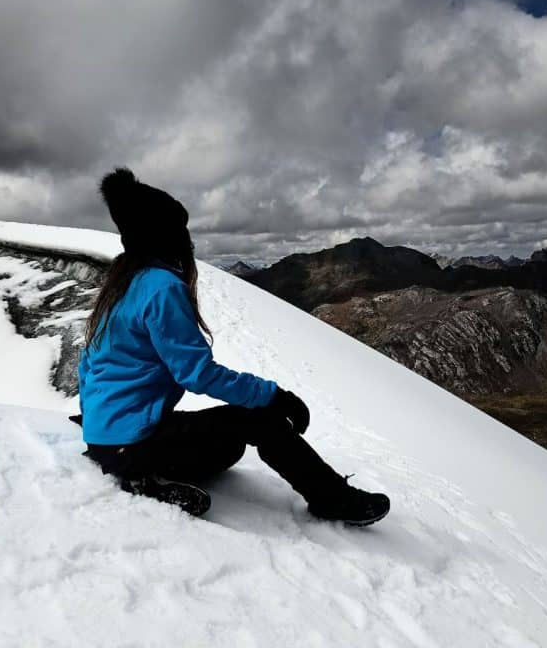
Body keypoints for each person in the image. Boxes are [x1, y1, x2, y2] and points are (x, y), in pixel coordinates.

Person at [76, 166, 390, 525]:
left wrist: (97, 425)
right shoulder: (161, 286)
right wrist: (274, 396)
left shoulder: (119, 287)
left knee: (230, 448)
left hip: (108, 441)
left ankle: (140, 471)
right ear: (165, 235)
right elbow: (198, 374)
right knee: (259, 420)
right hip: (132, 444)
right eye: (181, 230)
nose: (187, 240)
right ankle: (332, 499)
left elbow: (88, 365)